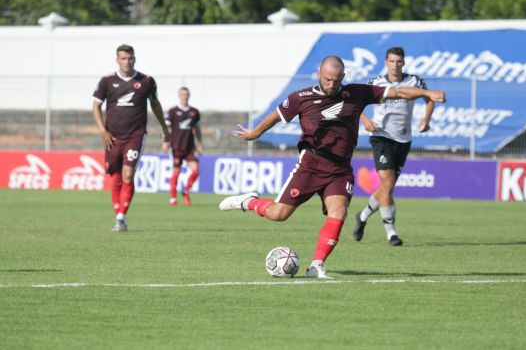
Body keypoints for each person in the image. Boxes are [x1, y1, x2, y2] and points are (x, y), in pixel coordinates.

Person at [219, 56, 445, 278]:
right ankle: (248, 201)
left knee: (339, 212)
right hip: (311, 164)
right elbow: (277, 116)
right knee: (279, 214)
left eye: (336, 80)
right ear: (319, 74)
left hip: (340, 169)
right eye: (327, 79)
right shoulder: (301, 97)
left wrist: (426, 93)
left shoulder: (356, 93)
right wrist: (256, 132)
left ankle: (316, 265)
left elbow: (398, 92)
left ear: (343, 77)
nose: (331, 84)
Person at [353, 46, 434, 246]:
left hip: (403, 140)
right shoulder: (376, 83)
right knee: (388, 185)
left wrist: (426, 119)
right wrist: (365, 121)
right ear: (386, 62)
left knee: (386, 187)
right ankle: (391, 233)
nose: (395, 65)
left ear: (404, 62)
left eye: (399, 61)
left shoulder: (414, 81)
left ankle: (362, 216)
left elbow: (430, 97)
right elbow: (355, 104)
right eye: (392, 61)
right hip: (381, 137)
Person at [92, 44, 170, 232]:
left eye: (130, 58)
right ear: (117, 60)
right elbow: (95, 107)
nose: (127, 62)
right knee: (116, 177)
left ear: (135, 58)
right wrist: (103, 130)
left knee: (128, 174)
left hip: (135, 135)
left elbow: (155, 104)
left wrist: (165, 129)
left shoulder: (146, 81)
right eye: (123, 58)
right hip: (112, 137)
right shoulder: (107, 81)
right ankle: (118, 213)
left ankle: (121, 218)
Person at [163, 87, 203, 206]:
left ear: (189, 96)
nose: (184, 96)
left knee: (196, 170)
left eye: (186, 94)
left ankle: (185, 191)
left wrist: (199, 144)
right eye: (182, 94)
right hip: (176, 146)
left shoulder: (194, 112)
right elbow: (167, 129)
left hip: (189, 147)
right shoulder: (172, 111)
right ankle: (173, 198)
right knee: (176, 172)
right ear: (179, 96)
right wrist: (165, 141)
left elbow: (197, 129)